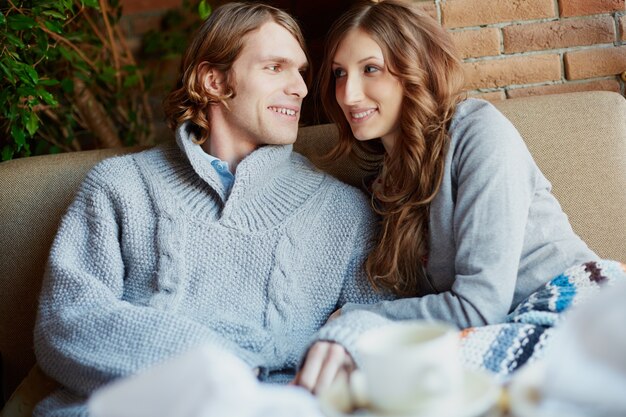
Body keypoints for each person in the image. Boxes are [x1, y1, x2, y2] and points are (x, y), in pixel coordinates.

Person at [32, 3, 391, 416]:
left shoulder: (343, 211)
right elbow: (66, 322)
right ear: (214, 80)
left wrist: (353, 336)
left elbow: (388, 318)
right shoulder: (119, 187)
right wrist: (213, 370)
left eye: (301, 71)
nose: (301, 88)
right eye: (275, 67)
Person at [296, 0, 625, 393]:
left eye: (371, 69)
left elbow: (477, 308)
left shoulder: (478, 133)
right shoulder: (388, 180)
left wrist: (354, 317)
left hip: (578, 304)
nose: (348, 94)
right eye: (338, 74)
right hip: (506, 322)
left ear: (415, 69)